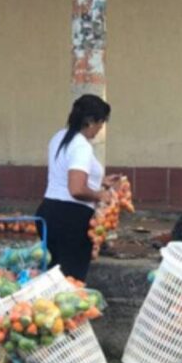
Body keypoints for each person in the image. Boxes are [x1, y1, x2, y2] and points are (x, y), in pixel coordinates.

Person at [36, 95, 118, 281]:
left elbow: (67, 174)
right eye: (100, 123)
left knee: (52, 277)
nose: (100, 129)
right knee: (72, 281)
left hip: (49, 212)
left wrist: (101, 181)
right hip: (71, 219)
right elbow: (76, 189)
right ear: (90, 121)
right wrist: (100, 195)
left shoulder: (59, 137)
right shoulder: (81, 146)